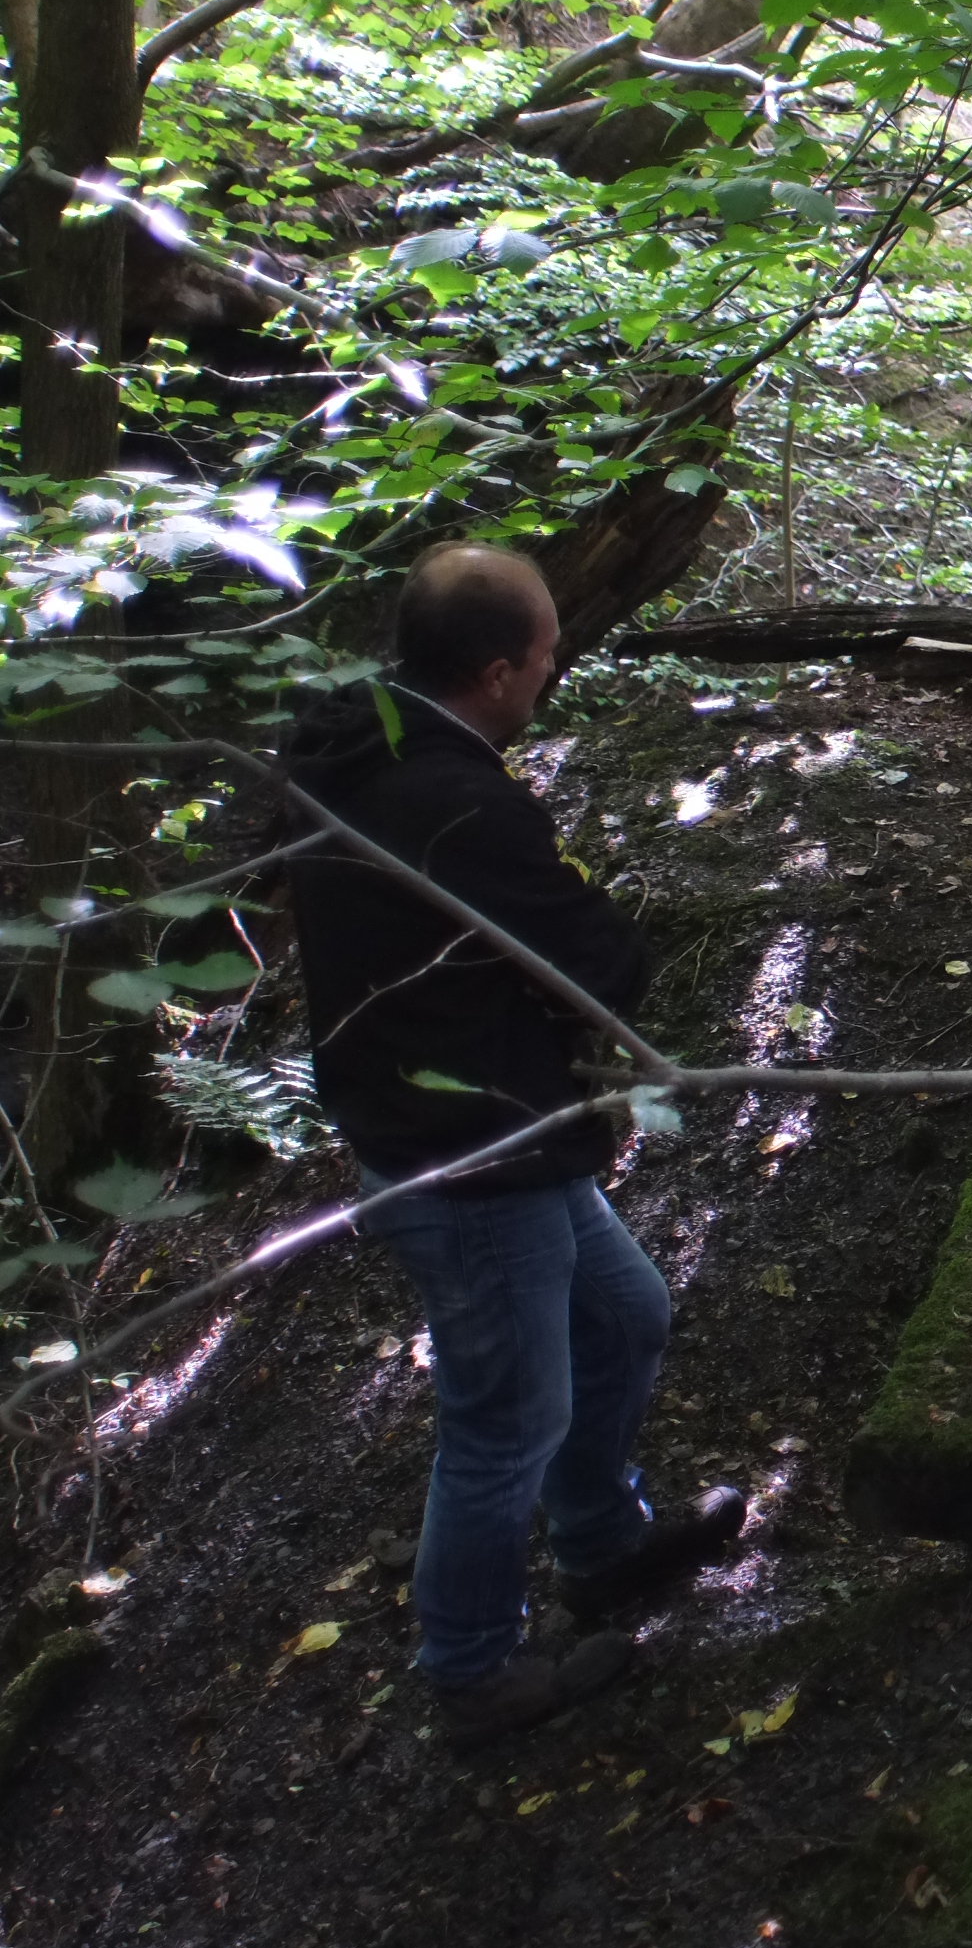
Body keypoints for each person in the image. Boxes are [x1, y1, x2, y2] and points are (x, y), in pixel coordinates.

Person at [283, 545, 745, 1746]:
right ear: (495, 673)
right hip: (467, 1150)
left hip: (466, 1117)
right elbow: (593, 957)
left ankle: (601, 1541)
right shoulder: (459, 802)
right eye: (545, 658)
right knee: (505, 1420)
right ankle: (471, 1671)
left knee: (626, 1314)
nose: (552, 674)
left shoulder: (356, 739)